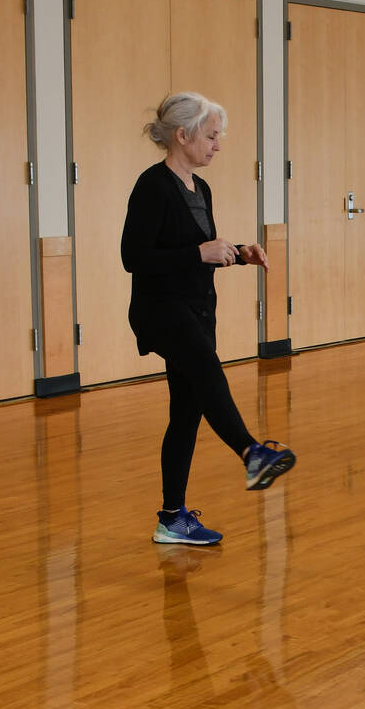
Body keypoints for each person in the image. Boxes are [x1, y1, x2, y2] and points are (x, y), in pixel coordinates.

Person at [123, 92, 296, 545]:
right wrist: (198, 252)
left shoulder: (201, 189)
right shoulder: (152, 186)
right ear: (182, 136)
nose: (217, 145)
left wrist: (238, 253)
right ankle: (252, 453)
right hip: (161, 311)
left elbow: (195, 254)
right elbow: (133, 256)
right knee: (205, 368)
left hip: (197, 311)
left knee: (186, 412)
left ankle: (172, 518)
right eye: (211, 136)